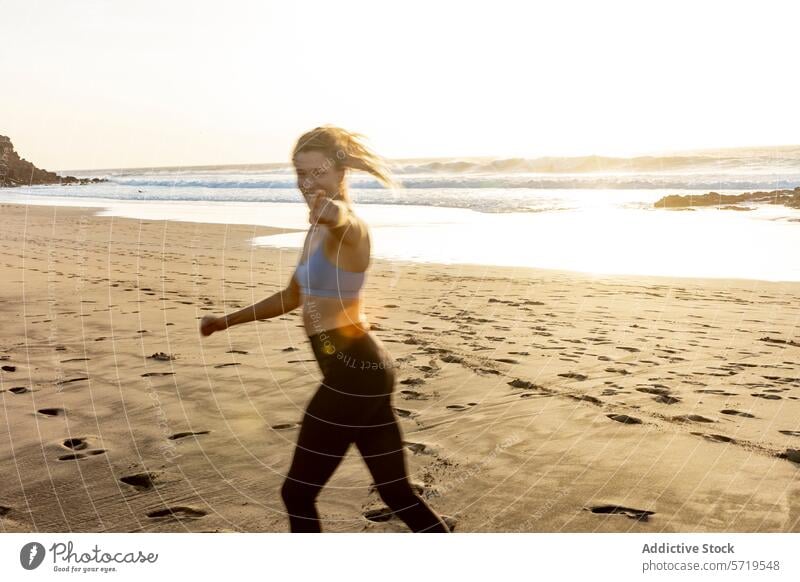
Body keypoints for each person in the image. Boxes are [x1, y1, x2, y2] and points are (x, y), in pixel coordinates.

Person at [200, 126, 451, 532]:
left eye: (318, 173)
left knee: (297, 494)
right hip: (366, 372)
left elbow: (344, 221)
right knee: (396, 492)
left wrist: (331, 213)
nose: (307, 183)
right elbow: (290, 297)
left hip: (353, 372)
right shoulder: (314, 232)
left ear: (339, 174)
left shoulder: (349, 227)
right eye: (301, 173)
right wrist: (225, 322)